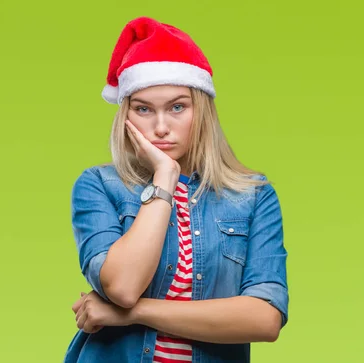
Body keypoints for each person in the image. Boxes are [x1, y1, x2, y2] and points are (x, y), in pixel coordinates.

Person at [64, 17, 289, 363]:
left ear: (202, 112)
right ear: (126, 116)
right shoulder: (98, 186)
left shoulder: (252, 196)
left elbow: (265, 319)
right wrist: (165, 178)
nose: (160, 127)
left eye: (177, 107)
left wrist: (133, 314)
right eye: (143, 109)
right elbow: (123, 287)